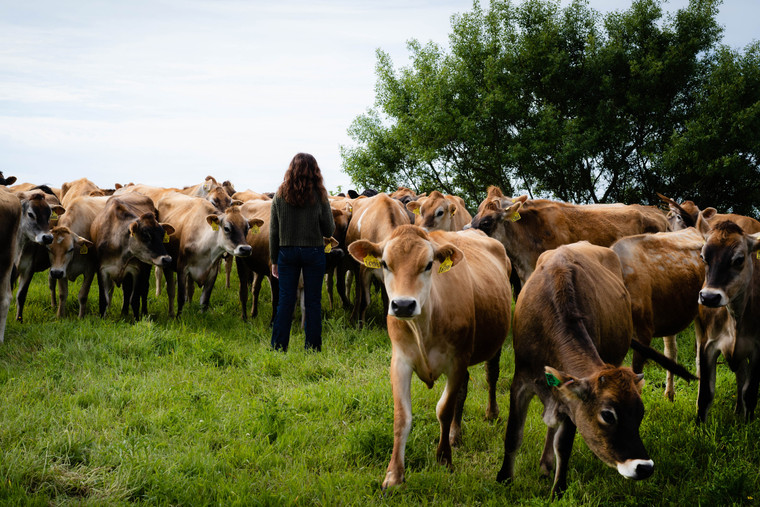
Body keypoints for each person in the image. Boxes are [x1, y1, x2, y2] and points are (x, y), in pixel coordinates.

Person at [269, 153, 335, 352]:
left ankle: (279, 347)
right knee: (313, 301)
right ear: (315, 171)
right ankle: (313, 348)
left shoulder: (279, 196)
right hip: (314, 252)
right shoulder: (320, 195)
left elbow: (273, 231)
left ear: (291, 170)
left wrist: (274, 260)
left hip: (286, 253)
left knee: (285, 301)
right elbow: (329, 230)